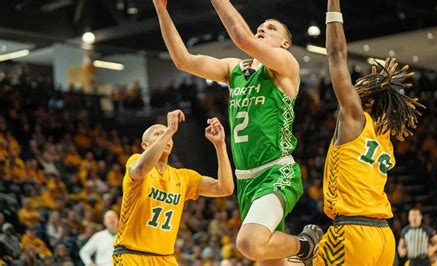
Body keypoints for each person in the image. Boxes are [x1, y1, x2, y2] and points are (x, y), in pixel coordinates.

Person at [153, 0, 322, 265]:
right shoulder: (235, 69)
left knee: (248, 243)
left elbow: (241, 37)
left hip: (276, 171)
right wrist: (161, 11)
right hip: (245, 181)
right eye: (261, 26)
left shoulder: (285, 65)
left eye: (271, 28)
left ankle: (306, 245)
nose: (262, 28)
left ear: (285, 44)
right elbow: (182, 60)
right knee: (268, 259)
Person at [318, 0, 426, 264]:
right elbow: (383, 100)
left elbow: (335, 54)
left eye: (361, 89)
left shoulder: (355, 117)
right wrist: (384, 84)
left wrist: (333, 3)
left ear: (368, 102)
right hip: (383, 237)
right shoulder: (385, 134)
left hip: (352, 233)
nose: (353, 90)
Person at [112, 110, 233, 265]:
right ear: (145, 145)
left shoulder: (183, 177)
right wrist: (169, 130)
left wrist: (220, 145)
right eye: (158, 134)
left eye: (168, 136)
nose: (166, 137)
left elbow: (224, 188)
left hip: (165, 258)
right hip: (131, 255)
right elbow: (141, 169)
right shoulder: (135, 161)